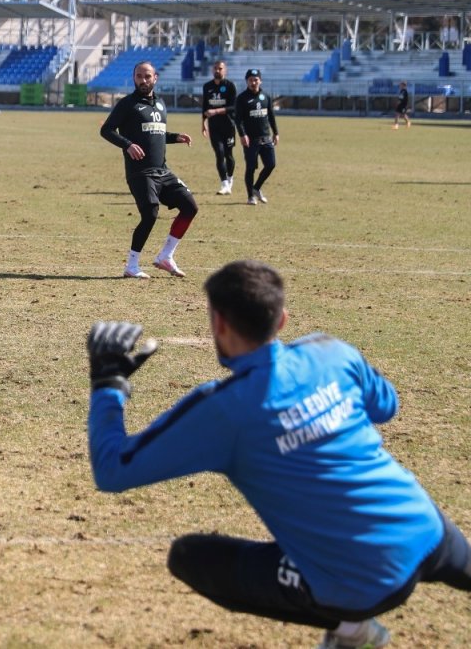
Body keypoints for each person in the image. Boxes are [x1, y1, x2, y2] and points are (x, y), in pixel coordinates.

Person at [86, 259, 471, 649]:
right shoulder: (331, 352)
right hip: (427, 528)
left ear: (218, 324)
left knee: (190, 557)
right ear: (283, 319)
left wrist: (108, 384)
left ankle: (352, 630)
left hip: (358, 585)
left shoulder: (224, 410)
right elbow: (386, 406)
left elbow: (112, 469)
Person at [99, 61, 197, 279]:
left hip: (162, 171)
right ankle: (131, 265)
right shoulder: (127, 104)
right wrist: (127, 144)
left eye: (147, 76)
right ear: (134, 78)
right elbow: (106, 130)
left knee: (190, 206)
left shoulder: (161, 104)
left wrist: (175, 137)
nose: (143, 80)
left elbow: (156, 134)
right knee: (150, 213)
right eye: (139, 76)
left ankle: (166, 256)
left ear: (155, 78)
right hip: (140, 173)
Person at [235, 68, 279, 205]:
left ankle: (256, 188)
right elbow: (238, 120)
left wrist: (276, 133)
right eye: (250, 80)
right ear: (247, 81)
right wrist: (243, 135)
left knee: (271, 164)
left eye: (256, 80)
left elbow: (271, 115)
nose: (253, 82)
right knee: (251, 167)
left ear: (260, 80)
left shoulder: (266, 96)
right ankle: (250, 196)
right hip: (251, 140)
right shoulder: (242, 98)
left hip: (266, 138)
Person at [200, 60, 237, 195]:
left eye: (220, 68)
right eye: (215, 68)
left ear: (225, 70)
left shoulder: (230, 86)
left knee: (229, 155)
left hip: (228, 126)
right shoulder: (207, 86)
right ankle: (224, 183)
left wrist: (216, 111)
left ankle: (230, 178)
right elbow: (205, 106)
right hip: (214, 127)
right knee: (219, 153)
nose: (217, 70)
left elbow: (233, 107)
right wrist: (203, 122)